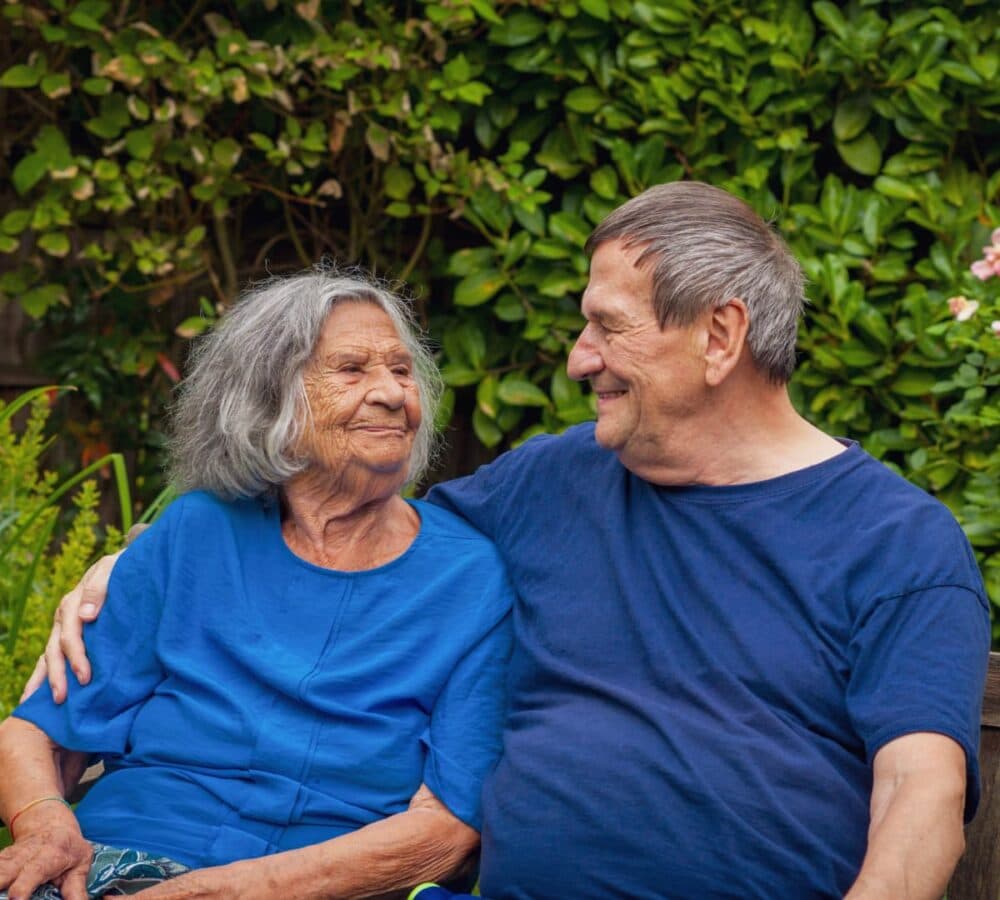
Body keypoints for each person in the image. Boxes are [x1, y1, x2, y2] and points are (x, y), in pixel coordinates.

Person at [28, 182, 991, 899]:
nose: (580, 360)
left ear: (719, 335)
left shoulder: (898, 543)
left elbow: (920, 799)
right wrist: (138, 561)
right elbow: (342, 526)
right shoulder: (552, 481)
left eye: (605, 329)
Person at [0, 271, 513, 900]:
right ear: (271, 403)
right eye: (352, 370)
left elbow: (448, 832)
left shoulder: (472, 580)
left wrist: (222, 892)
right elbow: (36, 729)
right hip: (120, 858)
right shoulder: (199, 531)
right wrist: (46, 825)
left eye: (403, 372)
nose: (391, 394)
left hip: (322, 886)